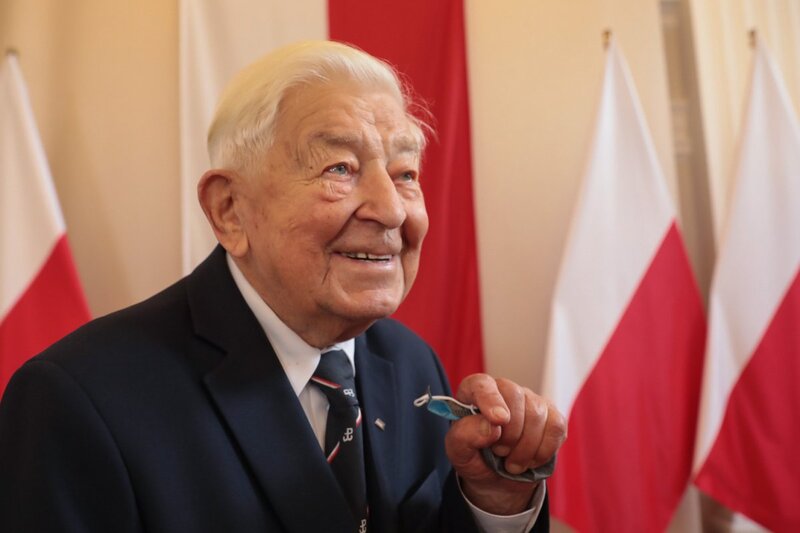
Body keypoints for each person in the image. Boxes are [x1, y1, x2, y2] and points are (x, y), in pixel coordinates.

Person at [0, 41, 565, 532]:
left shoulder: (412, 364)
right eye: (339, 168)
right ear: (229, 210)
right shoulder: (79, 401)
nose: (392, 210)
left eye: (405, 174)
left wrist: (492, 501)